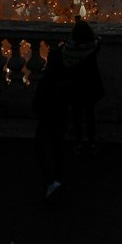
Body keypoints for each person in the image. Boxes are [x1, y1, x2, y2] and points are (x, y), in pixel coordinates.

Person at [59, 17, 105, 153]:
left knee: (76, 115)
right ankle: (91, 142)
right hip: (89, 85)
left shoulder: (68, 48)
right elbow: (98, 41)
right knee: (90, 115)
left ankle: (78, 142)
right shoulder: (93, 47)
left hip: (74, 85)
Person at [32, 48, 71, 200]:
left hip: (47, 120)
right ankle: (57, 178)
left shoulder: (47, 80)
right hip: (61, 119)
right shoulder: (67, 79)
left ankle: (50, 181)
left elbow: (37, 105)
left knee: (42, 150)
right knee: (58, 149)